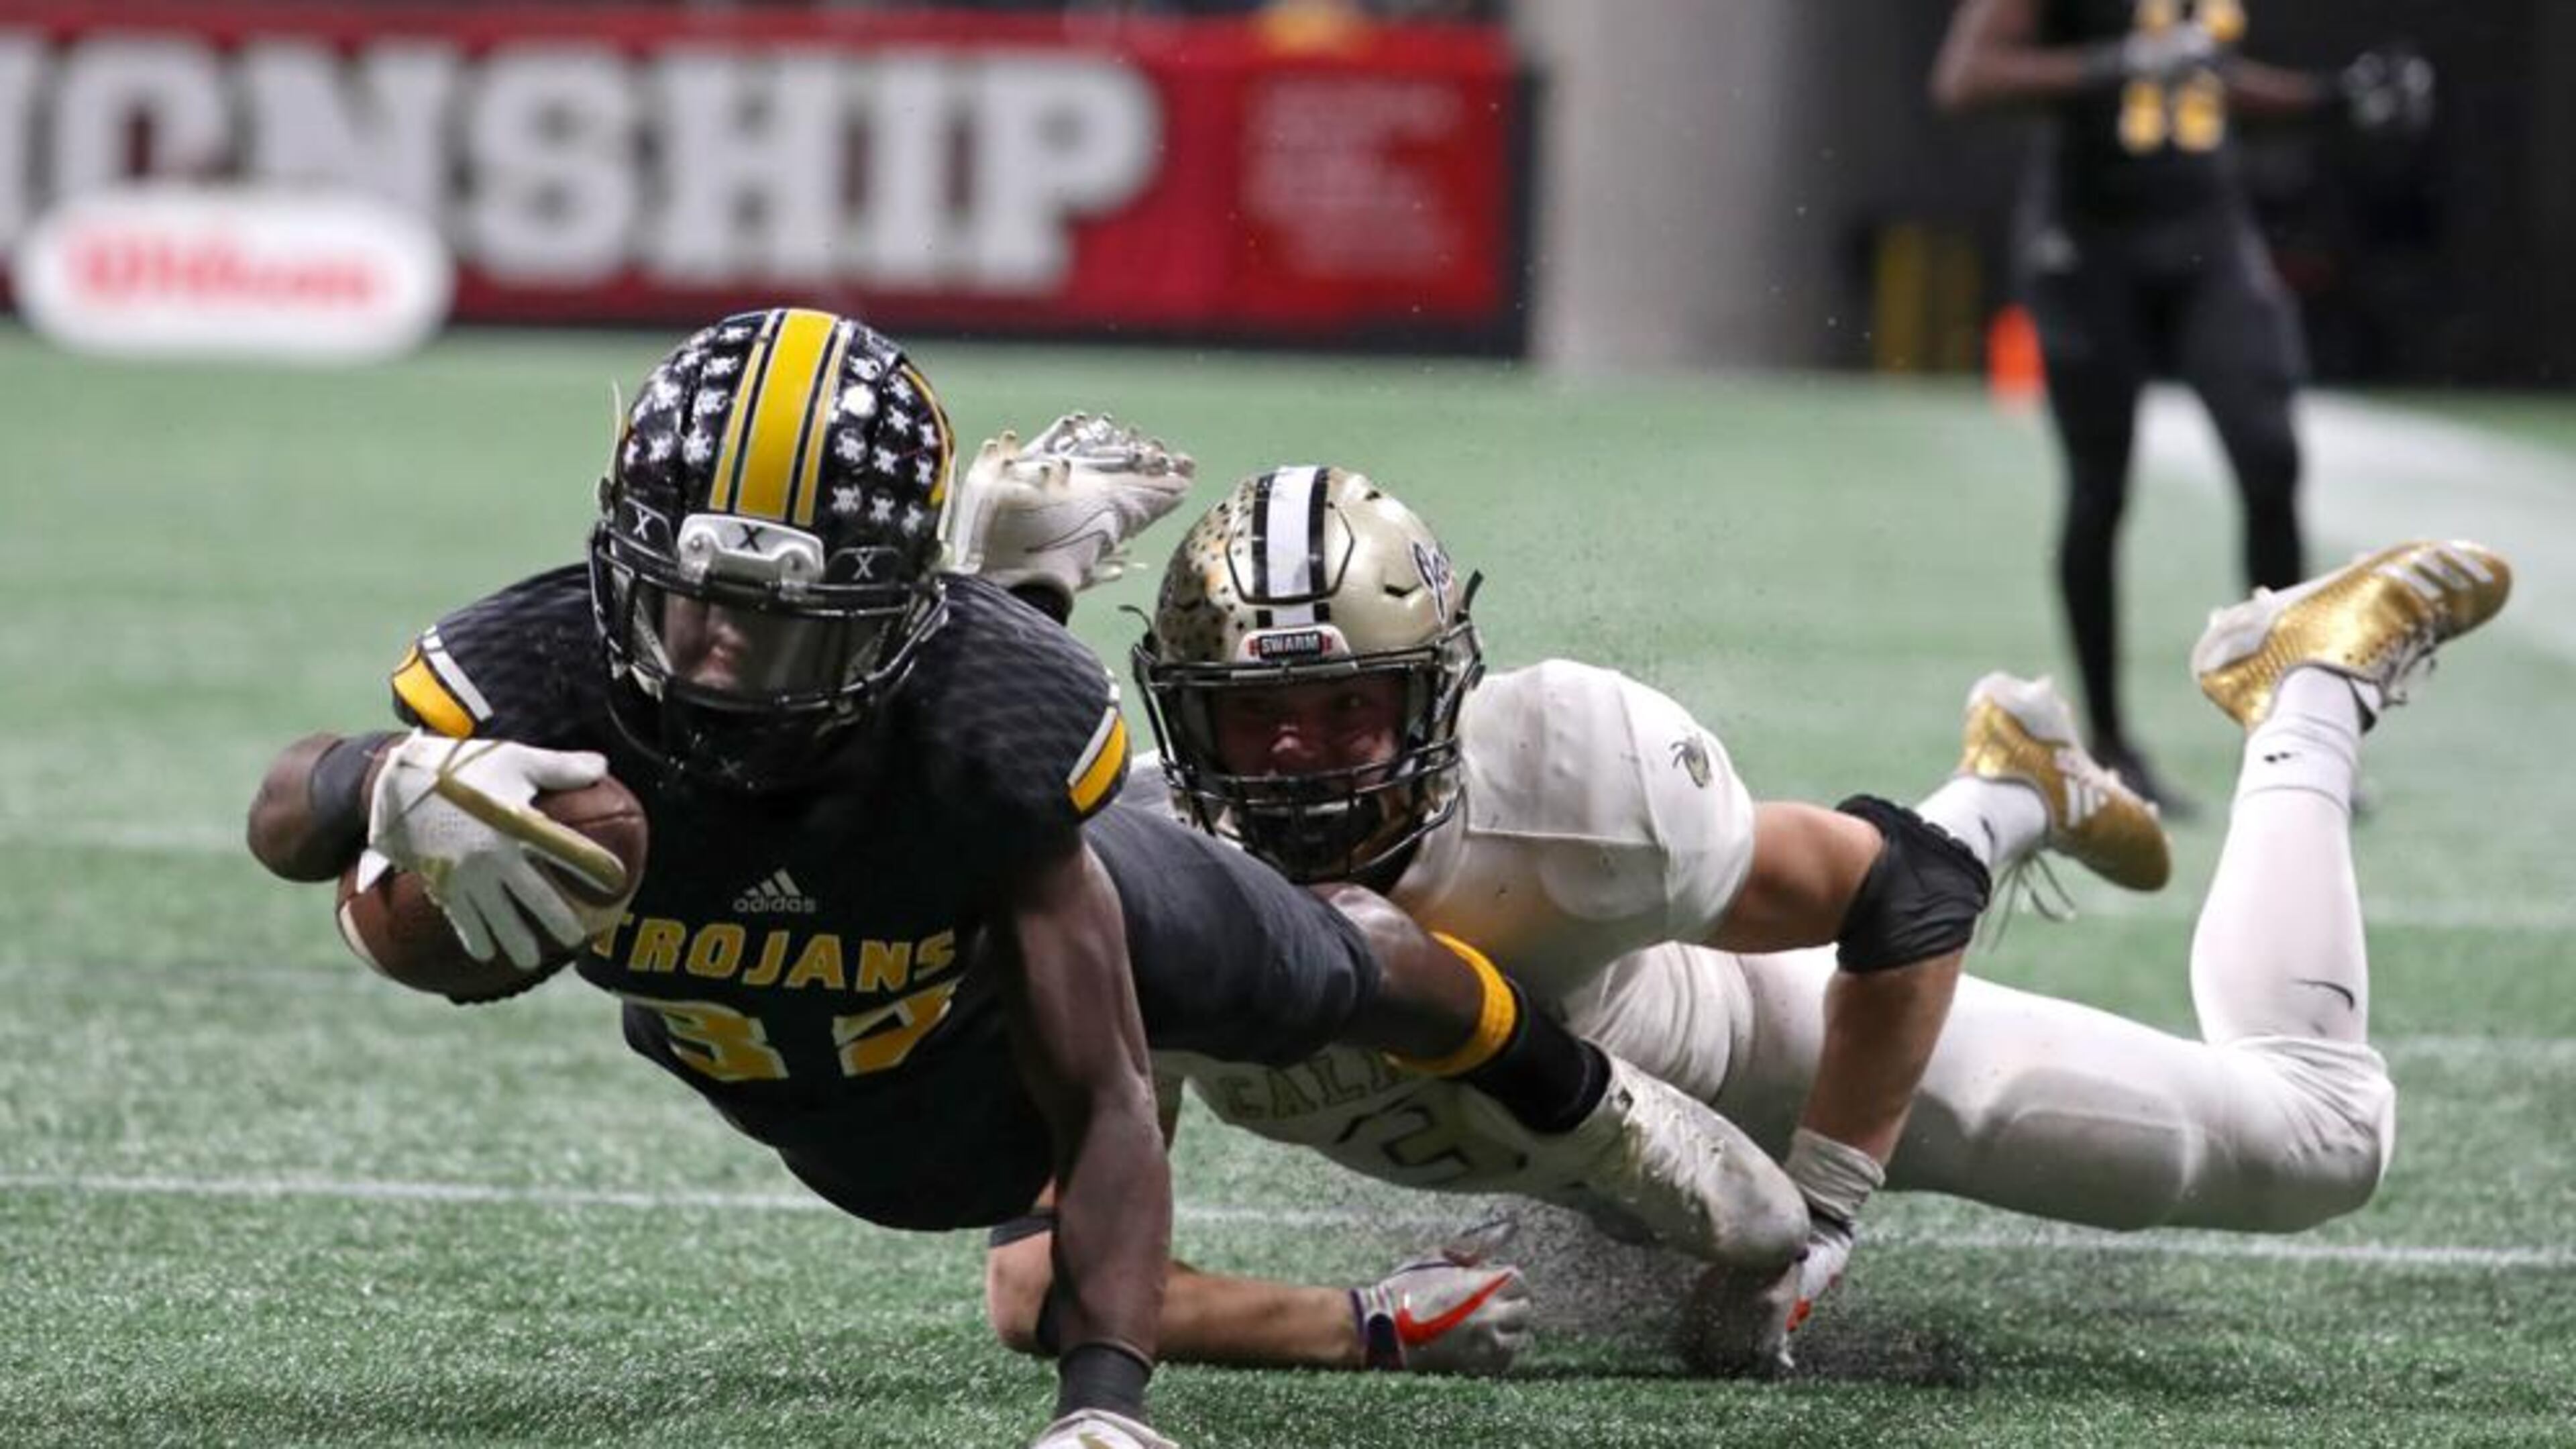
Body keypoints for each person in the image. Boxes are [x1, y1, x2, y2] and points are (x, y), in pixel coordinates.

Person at [241, 310, 1786, 1449]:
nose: (718, 660)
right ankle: (1020, 570)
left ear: (892, 615)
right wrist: (372, 780)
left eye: (785, 624)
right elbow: (282, 807)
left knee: (1343, 962)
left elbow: (1108, 1091)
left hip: (957, 988)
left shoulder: (987, 736)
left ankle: (1594, 1105)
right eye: (692, 603)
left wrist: (1100, 1405)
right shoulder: (536, 672)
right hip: (802, 1077)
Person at [981, 467, 2508, 1377]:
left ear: (1435, 698)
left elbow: (1889, 890)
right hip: (1604, 1159)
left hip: (1748, 1065)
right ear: (1186, 725)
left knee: (2320, 1140)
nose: (1304, 757)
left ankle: (2306, 680)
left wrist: (1828, 1205)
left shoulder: (1570, 794)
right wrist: (1359, 1322)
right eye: (1260, 722)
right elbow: (1043, 1284)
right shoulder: (1138, 872)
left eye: (1343, 707)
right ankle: (2012, 780)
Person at [1931, 0, 2434, 816]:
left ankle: (2293, 730)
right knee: (2100, 489)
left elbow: (2206, 81)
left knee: (2269, 454)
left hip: (2204, 230)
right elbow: (1965, 78)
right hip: (2088, 244)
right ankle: (2112, 746)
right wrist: (2115, 64)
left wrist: (2330, 99)